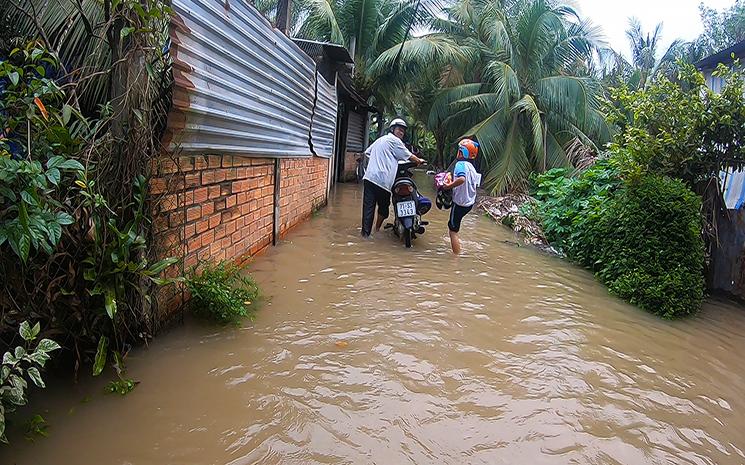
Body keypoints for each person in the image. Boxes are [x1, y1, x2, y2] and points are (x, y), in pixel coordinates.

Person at [360, 118, 425, 237]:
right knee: (383, 210)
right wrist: (420, 161)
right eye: (399, 130)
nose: (401, 133)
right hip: (383, 182)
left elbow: (367, 152)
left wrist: (379, 160)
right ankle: (377, 229)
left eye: (403, 131)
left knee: (368, 209)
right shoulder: (396, 141)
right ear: (392, 129)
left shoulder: (380, 140)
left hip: (369, 178)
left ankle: (365, 235)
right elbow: (410, 156)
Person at [442, 138, 481, 254]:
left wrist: (448, 186)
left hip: (460, 203)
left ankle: (456, 258)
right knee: (455, 226)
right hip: (469, 203)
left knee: (452, 230)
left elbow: (462, 179)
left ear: (461, 152)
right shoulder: (472, 168)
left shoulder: (460, 164)